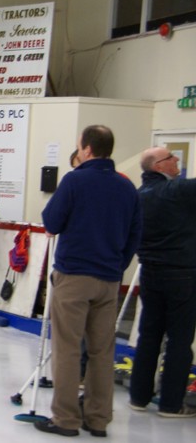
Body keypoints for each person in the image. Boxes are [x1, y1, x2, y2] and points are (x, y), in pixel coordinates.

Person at [37, 125, 141, 437]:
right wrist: (116, 266)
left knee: (68, 347)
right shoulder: (127, 188)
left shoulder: (75, 180)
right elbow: (135, 236)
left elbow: (52, 222)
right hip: (109, 278)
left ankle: (65, 419)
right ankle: (97, 418)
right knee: (102, 350)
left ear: (86, 149)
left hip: (75, 275)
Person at [129, 147, 196, 418]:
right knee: (179, 340)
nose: (177, 160)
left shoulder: (137, 196)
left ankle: (139, 396)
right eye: (171, 157)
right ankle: (171, 403)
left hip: (150, 273)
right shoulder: (176, 191)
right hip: (182, 274)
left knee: (149, 336)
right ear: (158, 165)